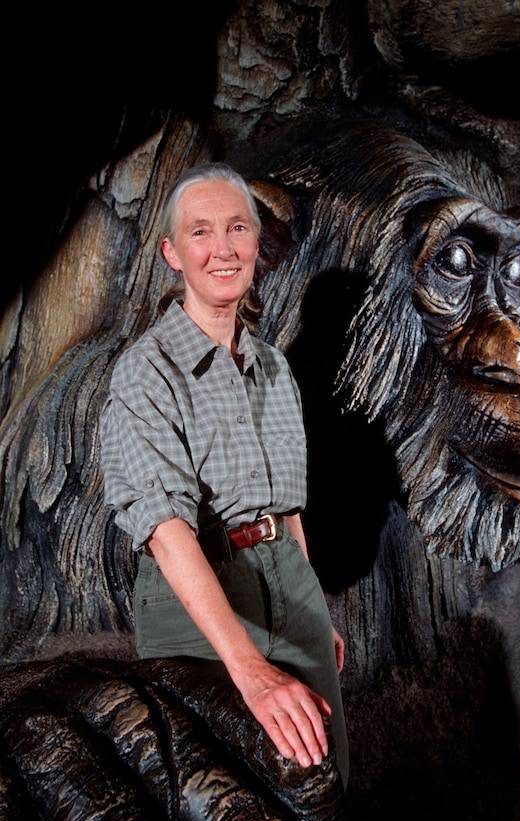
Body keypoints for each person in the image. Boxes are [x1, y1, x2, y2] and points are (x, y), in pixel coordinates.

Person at [98, 162, 349, 788]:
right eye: (200, 232)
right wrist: (249, 666)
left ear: (256, 244)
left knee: (324, 784)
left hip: (288, 581)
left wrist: (310, 604)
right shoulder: (144, 374)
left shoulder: (273, 368)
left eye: (237, 228)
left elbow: (286, 510)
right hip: (198, 586)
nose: (222, 249)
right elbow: (164, 530)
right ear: (172, 253)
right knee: (231, 805)